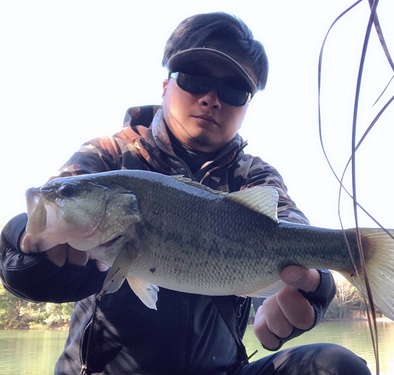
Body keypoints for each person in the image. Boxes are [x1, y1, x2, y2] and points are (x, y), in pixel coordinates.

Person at [0, 12, 372, 375]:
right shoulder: (109, 157)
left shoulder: (256, 176)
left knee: (337, 368)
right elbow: (23, 253)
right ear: (166, 87)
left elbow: (293, 233)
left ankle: (363, 255)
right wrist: (27, 253)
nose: (212, 98)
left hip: (225, 369)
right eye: (195, 79)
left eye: (233, 90)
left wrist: (317, 286)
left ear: (246, 107)